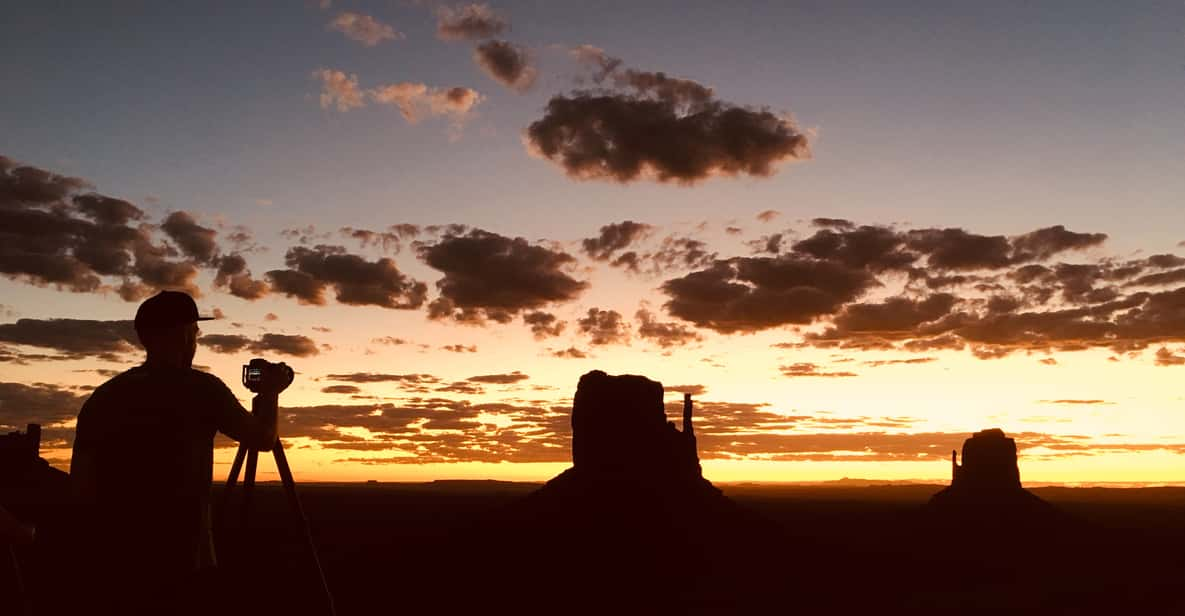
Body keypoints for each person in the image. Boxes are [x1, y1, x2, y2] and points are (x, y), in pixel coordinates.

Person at [69, 290, 289, 612]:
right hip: (183, 556)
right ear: (185, 334)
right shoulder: (202, 390)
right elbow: (263, 439)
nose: (196, 339)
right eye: (195, 332)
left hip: (114, 559)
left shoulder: (104, 398)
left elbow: (81, 489)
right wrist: (269, 394)